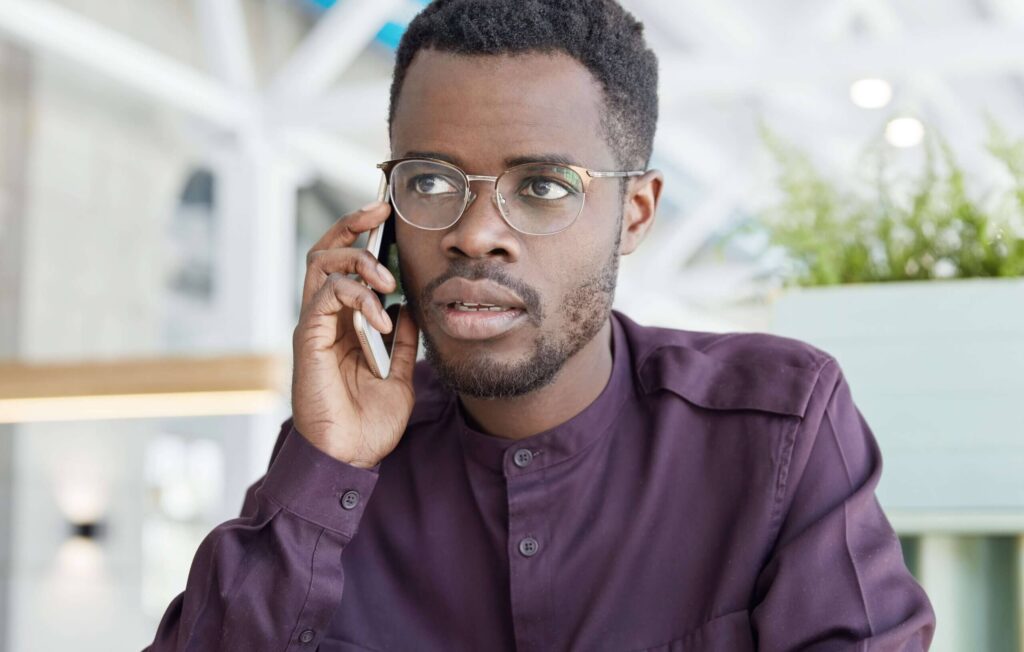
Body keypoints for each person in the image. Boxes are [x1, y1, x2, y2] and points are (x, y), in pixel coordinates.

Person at [147, 0, 935, 649]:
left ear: (635, 213)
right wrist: (325, 469)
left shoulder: (777, 427)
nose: (474, 232)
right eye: (429, 180)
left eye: (544, 187)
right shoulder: (339, 461)